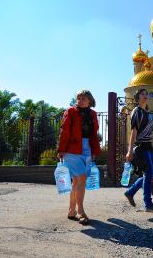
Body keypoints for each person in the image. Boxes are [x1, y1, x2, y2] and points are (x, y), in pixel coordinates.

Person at [57, 90, 101, 225]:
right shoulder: (70, 111)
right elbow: (64, 130)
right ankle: (81, 211)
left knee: (76, 182)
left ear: (89, 100)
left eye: (83, 98)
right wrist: (61, 149)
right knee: (81, 178)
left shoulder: (93, 114)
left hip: (87, 148)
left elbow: (94, 134)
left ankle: (71, 210)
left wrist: (94, 151)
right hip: (72, 149)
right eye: (79, 98)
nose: (80, 100)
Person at [124, 88, 153, 213]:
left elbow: (149, 133)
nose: (145, 96)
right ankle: (148, 204)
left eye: (146, 94)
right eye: (142, 94)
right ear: (137, 97)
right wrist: (129, 151)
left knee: (149, 174)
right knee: (148, 173)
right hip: (141, 146)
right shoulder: (137, 111)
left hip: (149, 146)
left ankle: (130, 192)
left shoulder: (147, 113)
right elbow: (133, 132)